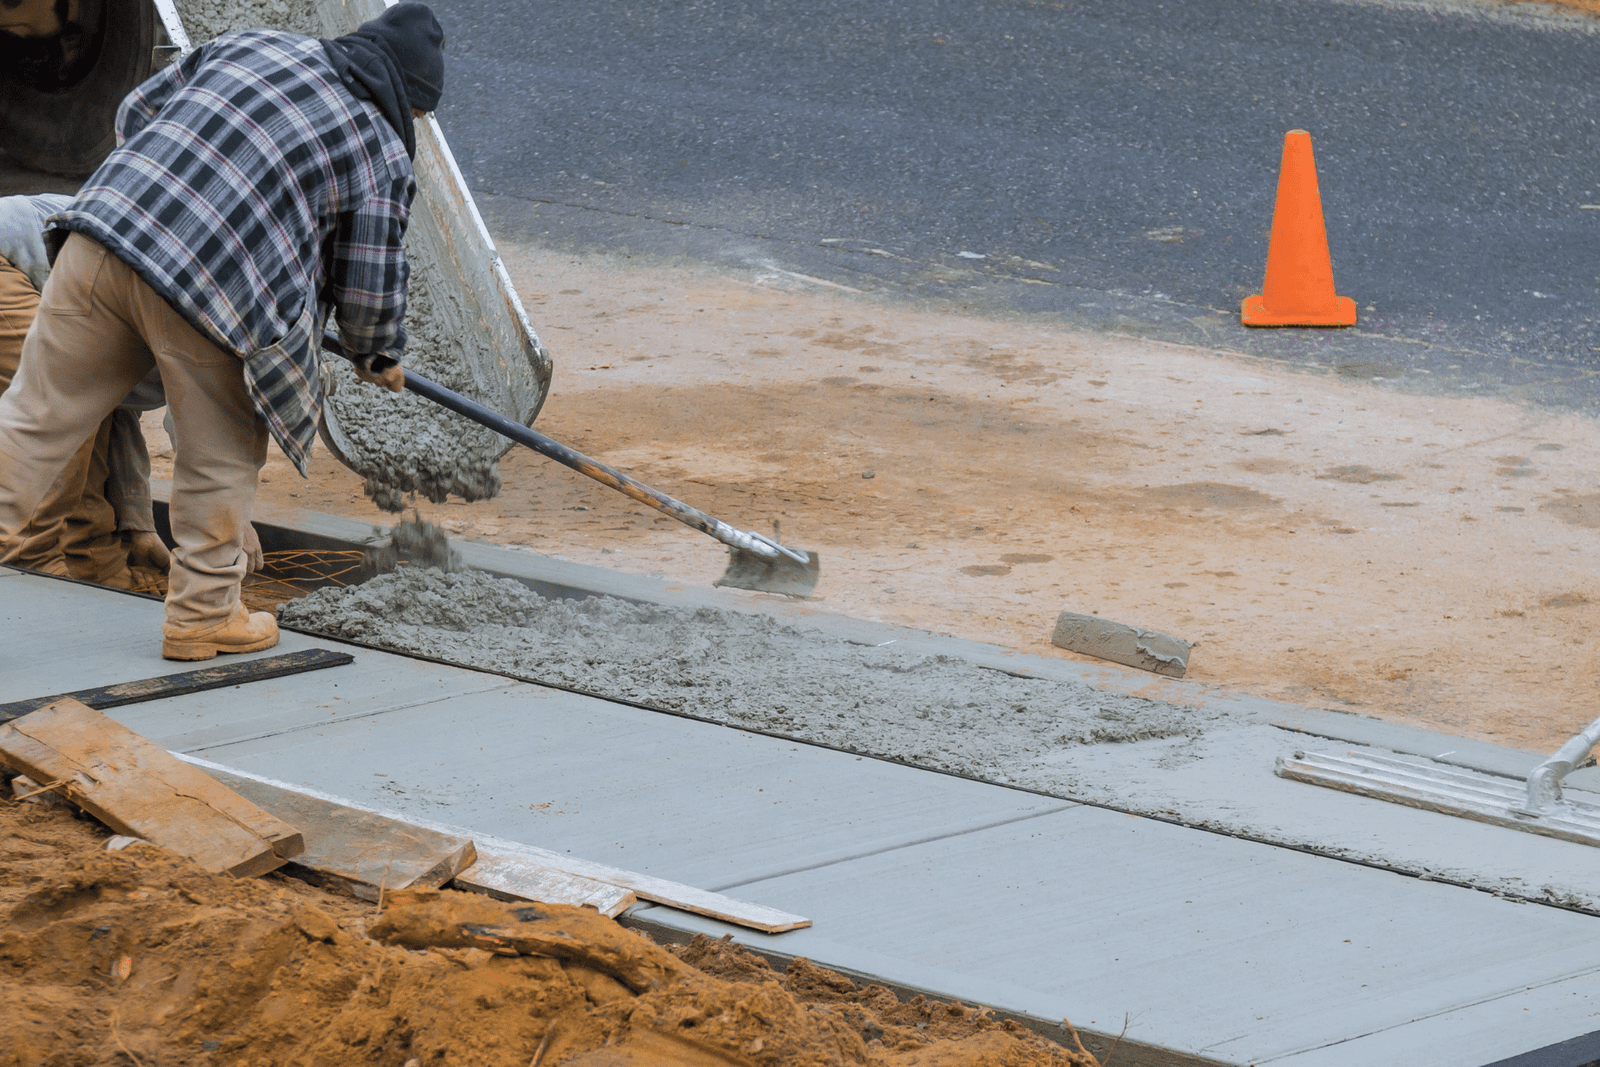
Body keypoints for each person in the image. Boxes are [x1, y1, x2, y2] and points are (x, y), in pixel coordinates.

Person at [0, 3, 445, 660]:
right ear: (407, 97)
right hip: (211, 288)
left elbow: (136, 116)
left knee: (33, 424)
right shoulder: (379, 144)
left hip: (98, 236)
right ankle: (203, 614)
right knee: (223, 456)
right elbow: (369, 271)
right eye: (417, 116)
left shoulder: (251, 45)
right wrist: (376, 350)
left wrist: (163, 191)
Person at [0, 192, 171, 588]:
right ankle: (28, 561)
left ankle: (91, 562)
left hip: (39, 274)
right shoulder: (215, 336)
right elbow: (202, 444)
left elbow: (114, 413)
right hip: (8, 261)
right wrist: (234, 524)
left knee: (80, 402)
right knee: (60, 401)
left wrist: (138, 527)